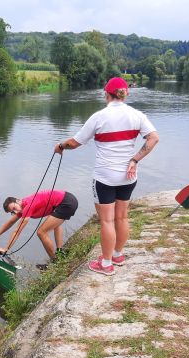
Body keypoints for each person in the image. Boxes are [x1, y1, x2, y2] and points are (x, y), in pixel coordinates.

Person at [54, 77, 159, 276]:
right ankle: (118, 255)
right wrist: (135, 159)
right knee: (122, 216)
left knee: (107, 221)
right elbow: (154, 138)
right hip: (129, 176)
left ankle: (106, 264)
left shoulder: (99, 117)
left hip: (105, 177)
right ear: (125, 94)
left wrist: (60, 146)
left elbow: (75, 143)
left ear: (106, 94)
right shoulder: (137, 115)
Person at [0, 190, 78, 269]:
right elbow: (10, 222)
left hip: (66, 202)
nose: (15, 212)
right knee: (55, 224)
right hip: (67, 200)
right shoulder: (22, 206)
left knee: (41, 232)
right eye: (12, 212)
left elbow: (17, 231)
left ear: (18, 200)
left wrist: (6, 249)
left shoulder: (28, 205)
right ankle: (59, 252)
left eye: (14, 208)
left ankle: (55, 263)